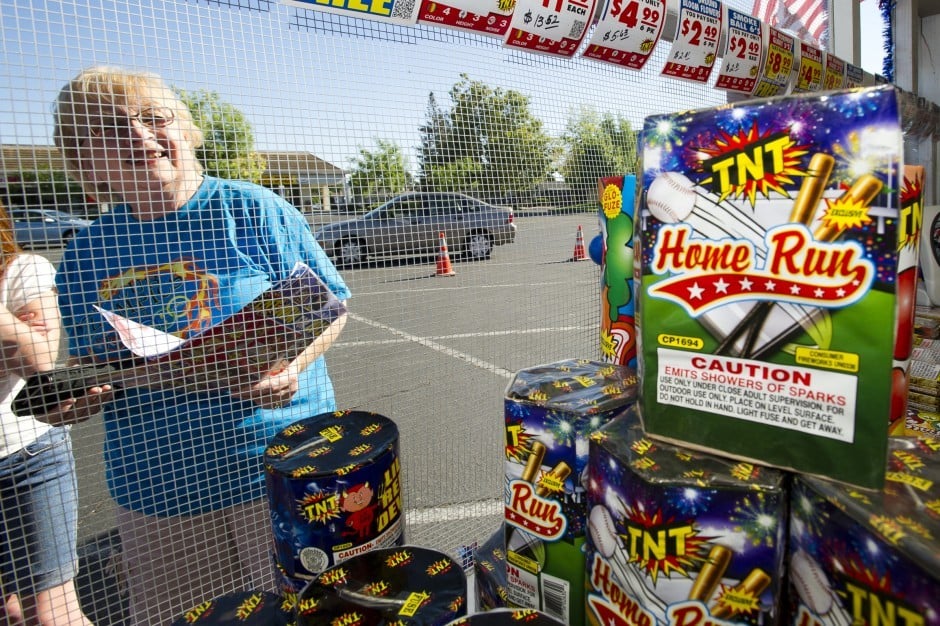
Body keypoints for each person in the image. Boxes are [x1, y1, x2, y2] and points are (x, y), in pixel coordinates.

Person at [52, 66, 351, 625]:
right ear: (84, 163)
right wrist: (79, 395)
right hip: (159, 486)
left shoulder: (251, 209)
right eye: (109, 130)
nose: (139, 137)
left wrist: (294, 366)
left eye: (153, 118)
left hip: (283, 465)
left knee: (313, 612)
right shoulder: (85, 252)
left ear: (186, 130)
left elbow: (330, 307)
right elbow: (95, 364)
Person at [0, 199, 94, 625]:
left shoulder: (21, 271)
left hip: (26, 456)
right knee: (9, 612)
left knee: (51, 612)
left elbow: (40, 365)